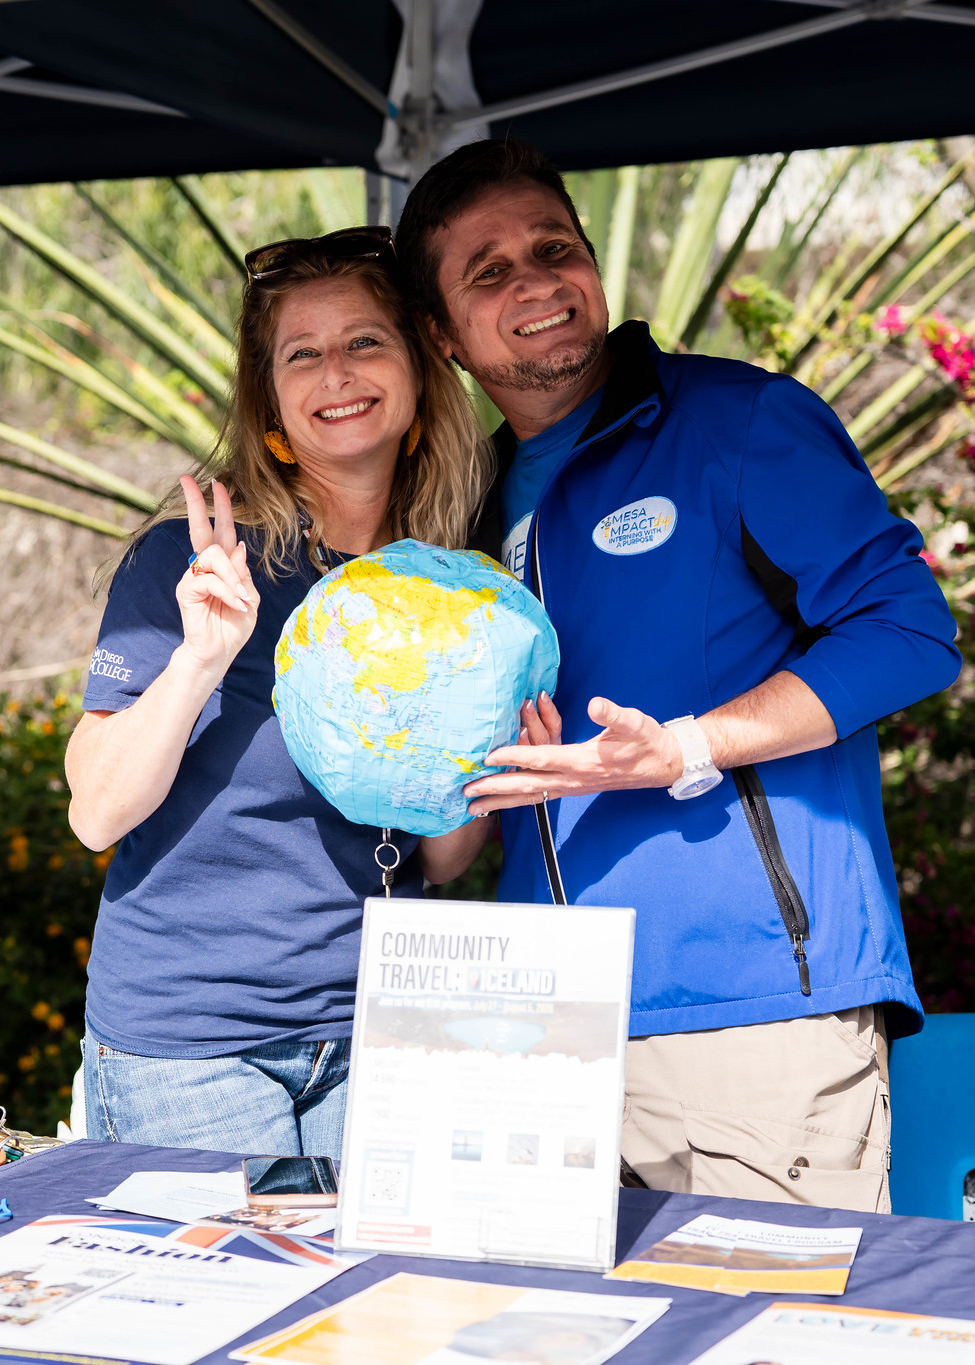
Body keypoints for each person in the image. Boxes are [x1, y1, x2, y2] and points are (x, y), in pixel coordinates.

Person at [395, 140, 962, 1211]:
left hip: (749, 1018)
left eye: (552, 249)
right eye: (489, 272)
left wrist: (689, 746)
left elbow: (909, 630)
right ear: (441, 333)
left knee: (771, 1310)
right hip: (539, 1032)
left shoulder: (737, 421)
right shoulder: (464, 513)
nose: (536, 284)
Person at [66, 227, 493, 1156]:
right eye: (302, 353)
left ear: (418, 371)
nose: (337, 373)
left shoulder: (449, 587)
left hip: (381, 1025)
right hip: (191, 1050)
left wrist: (485, 771)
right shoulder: (194, 561)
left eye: (365, 341)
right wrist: (200, 658)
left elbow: (441, 858)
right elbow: (95, 812)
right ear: (270, 398)